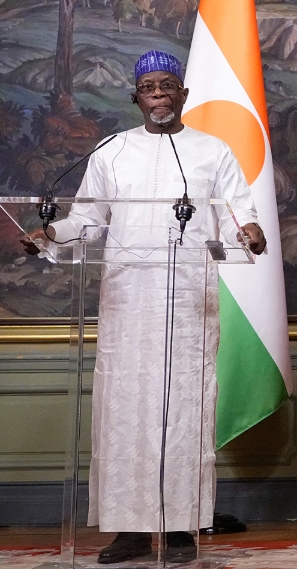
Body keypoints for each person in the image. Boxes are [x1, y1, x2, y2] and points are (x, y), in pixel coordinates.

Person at [20, 51, 266, 564]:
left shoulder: (212, 151)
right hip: (129, 301)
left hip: (188, 301)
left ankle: (179, 529)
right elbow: (87, 220)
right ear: (135, 96)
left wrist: (250, 230)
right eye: (149, 86)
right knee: (126, 412)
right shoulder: (111, 152)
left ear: (183, 95)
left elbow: (238, 213)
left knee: (182, 413)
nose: (159, 93)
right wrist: (52, 233)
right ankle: (129, 531)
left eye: (168, 84)